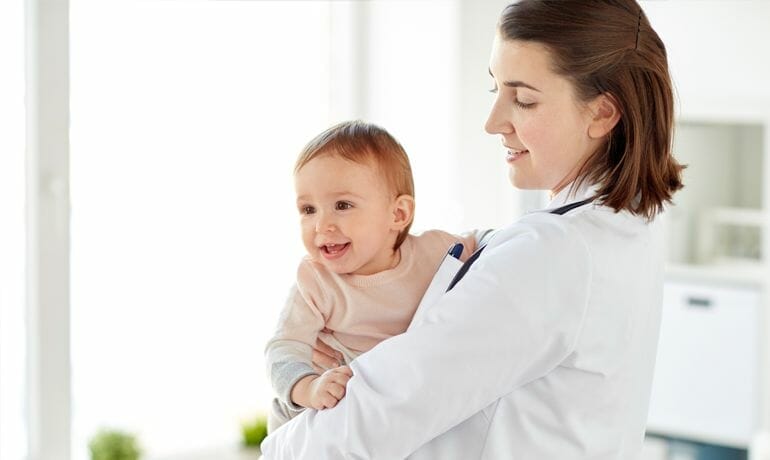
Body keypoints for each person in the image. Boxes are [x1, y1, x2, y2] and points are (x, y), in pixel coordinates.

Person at [261, 0, 684, 457]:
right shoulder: (626, 227)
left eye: (523, 98)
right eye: (495, 89)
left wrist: (278, 448)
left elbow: (377, 415)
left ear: (602, 113)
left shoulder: (553, 252)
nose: (492, 122)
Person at [265, 120, 479, 432]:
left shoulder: (434, 252)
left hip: (384, 405)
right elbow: (282, 352)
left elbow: (488, 246)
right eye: (308, 209)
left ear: (398, 215)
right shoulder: (316, 281)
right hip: (310, 412)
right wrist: (309, 388)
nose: (321, 225)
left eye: (342, 205)